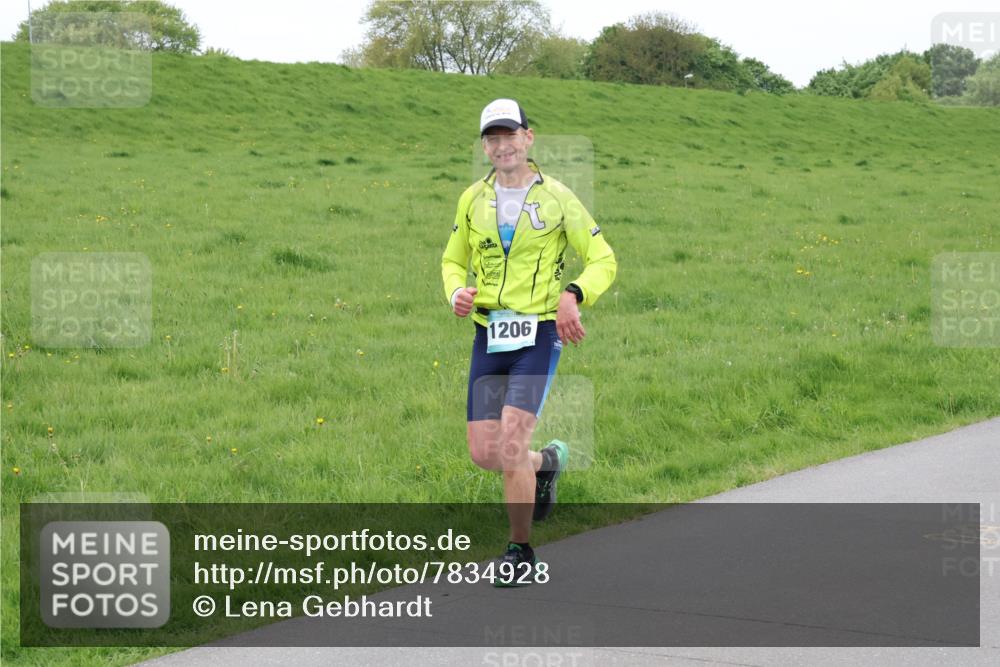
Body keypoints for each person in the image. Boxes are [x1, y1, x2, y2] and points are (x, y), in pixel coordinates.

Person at [441, 99, 617, 586]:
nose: (501, 146)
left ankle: (520, 549)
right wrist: (456, 290)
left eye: (509, 135)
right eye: (491, 138)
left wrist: (574, 293)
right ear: (484, 146)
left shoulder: (559, 198)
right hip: (489, 333)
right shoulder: (472, 199)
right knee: (485, 453)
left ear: (528, 138)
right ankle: (548, 464)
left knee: (512, 443)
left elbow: (603, 257)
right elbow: (452, 259)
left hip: (539, 333)